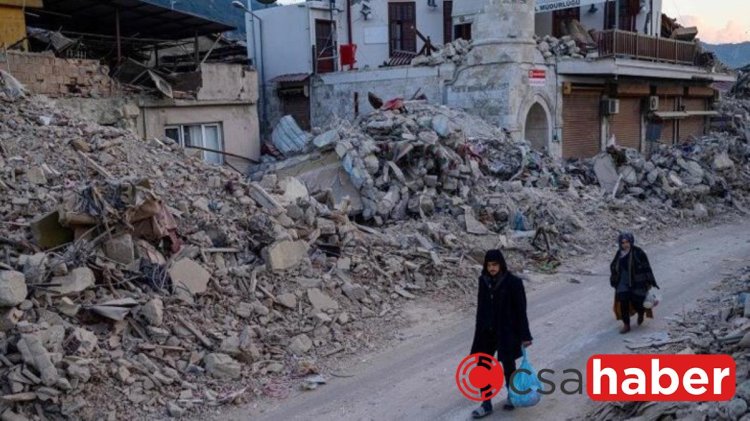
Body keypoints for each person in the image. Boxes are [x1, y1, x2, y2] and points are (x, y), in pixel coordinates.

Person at [469, 249, 533, 419]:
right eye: (489, 265)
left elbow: (521, 311)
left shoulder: (513, 283)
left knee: (508, 365)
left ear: (501, 264)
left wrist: (525, 335)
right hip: (486, 331)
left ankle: (511, 396)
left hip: (506, 331)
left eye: (495, 265)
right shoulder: (483, 281)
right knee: (482, 367)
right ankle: (486, 403)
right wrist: (478, 333)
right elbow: (480, 309)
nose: (492, 268)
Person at [609, 232, 659, 334]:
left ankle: (641, 313)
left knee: (637, 302)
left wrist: (649, 280)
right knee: (623, 302)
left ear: (631, 242)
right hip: (623, 283)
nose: (625, 244)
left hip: (636, 282)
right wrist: (615, 276)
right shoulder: (619, 253)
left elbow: (646, 266)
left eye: (627, 242)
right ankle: (626, 325)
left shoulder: (638, 252)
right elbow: (614, 266)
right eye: (622, 243)